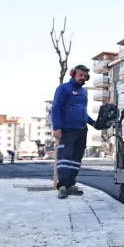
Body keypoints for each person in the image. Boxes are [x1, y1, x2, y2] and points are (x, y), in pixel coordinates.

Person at [51, 64, 96, 199]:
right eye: (80, 75)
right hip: (67, 129)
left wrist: (93, 122)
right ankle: (62, 186)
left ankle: (71, 184)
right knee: (65, 158)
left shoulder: (83, 92)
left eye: (85, 76)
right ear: (73, 74)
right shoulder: (63, 88)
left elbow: (82, 112)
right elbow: (56, 107)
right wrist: (57, 126)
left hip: (82, 129)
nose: (83, 78)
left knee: (76, 159)